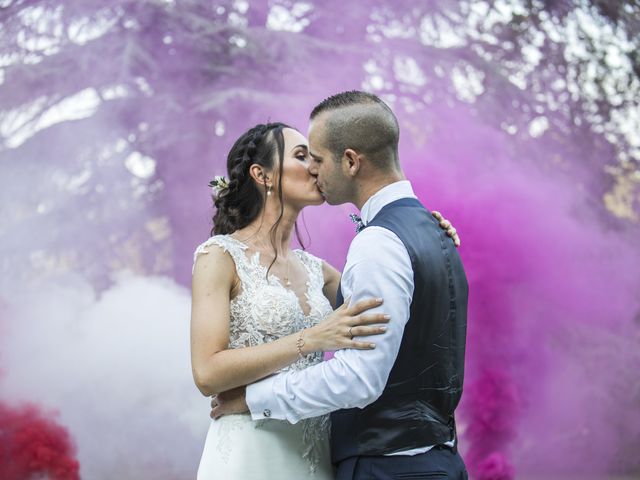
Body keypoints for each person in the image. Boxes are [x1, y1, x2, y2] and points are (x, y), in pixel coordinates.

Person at [211, 91, 469, 480]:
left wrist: (253, 399)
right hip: (426, 460)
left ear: (350, 161)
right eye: (302, 158)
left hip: (389, 467)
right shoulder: (430, 233)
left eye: (315, 157)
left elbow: (358, 378)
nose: (313, 169)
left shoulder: (381, 242)